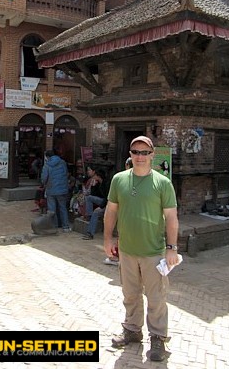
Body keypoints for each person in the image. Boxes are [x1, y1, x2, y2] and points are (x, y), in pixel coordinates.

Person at [103, 135, 179, 362]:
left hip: (154, 252)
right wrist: (107, 239)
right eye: (135, 152)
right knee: (130, 294)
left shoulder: (162, 183)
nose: (140, 156)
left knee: (156, 297)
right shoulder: (119, 180)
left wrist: (171, 247)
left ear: (152, 155)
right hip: (126, 249)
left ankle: (157, 337)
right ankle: (133, 330)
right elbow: (111, 211)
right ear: (130, 154)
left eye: (144, 152)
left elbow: (171, 218)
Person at [104, 157, 133, 266]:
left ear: (127, 165)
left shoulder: (122, 179)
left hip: (126, 215)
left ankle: (121, 259)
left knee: (122, 237)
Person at [41, 150, 71, 232]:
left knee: (52, 209)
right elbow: (66, 174)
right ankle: (66, 227)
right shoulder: (63, 163)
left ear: (47, 157)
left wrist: (44, 184)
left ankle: (54, 226)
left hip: (51, 189)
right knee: (63, 208)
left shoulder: (47, 165)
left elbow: (44, 178)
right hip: (62, 189)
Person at [82, 168, 109, 240]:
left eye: (95, 175)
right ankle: (89, 215)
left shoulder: (107, 184)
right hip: (103, 200)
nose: (93, 177)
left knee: (96, 212)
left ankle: (90, 233)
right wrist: (94, 185)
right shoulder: (99, 183)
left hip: (109, 203)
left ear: (98, 176)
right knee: (89, 197)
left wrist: (101, 207)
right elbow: (94, 194)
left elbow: (108, 198)